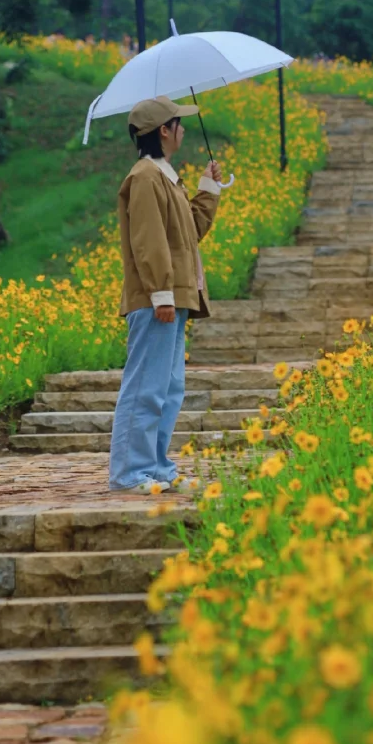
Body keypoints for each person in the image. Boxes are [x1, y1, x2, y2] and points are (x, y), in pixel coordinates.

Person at [109, 95, 224, 493]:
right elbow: (148, 240)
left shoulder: (166, 176)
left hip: (174, 298)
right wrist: (160, 292)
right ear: (163, 130)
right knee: (145, 386)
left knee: (168, 388)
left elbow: (187, 234)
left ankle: (155, 466)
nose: (184, 129)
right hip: (158, 299)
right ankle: (129, 473)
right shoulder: (144, 177)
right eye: (179, 123)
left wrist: (208, 188)